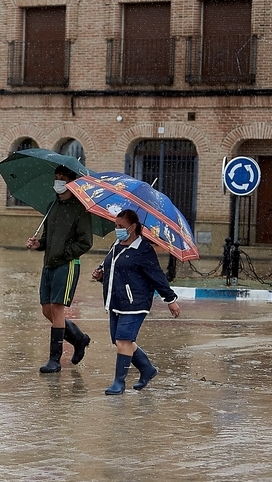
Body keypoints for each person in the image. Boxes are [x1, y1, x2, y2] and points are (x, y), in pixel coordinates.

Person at [92, 208, 181, 395]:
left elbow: (157, 276)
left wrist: (170, 299)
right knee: (120, 340)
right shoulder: (116, 245)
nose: (117, 229)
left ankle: (119, 382)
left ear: (133, 227)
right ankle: (147, 369)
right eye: (116, 225)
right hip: (115, 301)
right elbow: (115, 270)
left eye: (121, 226)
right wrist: (101, 275)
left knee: (124, 339)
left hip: (135, 302)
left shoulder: (143, 250)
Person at [25, 165, 93, 374]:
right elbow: (47, 238)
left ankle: (54, 360)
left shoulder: (80, 209)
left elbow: (85, 242)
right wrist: (39, 245)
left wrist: (63, 252)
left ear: (71, 182)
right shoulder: (51, 206)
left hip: (68, 264)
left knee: (57, 309)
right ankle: (79, 339)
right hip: (49, 264)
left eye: (63, 178)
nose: (59, 182)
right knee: (47, 310)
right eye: (56, 178)